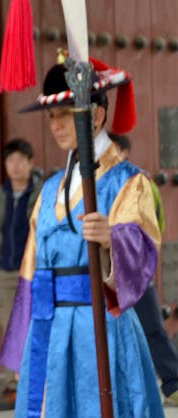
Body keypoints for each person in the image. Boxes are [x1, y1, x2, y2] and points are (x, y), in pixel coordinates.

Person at [0, 57, 164, 417]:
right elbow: (30, 273)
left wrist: (113, 238)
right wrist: (24, 343)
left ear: (97, 114)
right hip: (51, 329)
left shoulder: (128, 182)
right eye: (52, 117)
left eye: (65, 114)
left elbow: (145, 254)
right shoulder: (50, 189)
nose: (55, 126)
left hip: (103, 324)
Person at [108, 132, 178, 405]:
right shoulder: (96, 184)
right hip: (106, 273)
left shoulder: (140, 182)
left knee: (152, 327)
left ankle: (172, 382)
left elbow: (154, 226)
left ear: (124, 153)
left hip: (134, 272)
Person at [0, 138, 43, 411]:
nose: (16, 165)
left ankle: (37, 381)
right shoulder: (0, 195)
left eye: (21, 160)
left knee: (37, 320)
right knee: (10, 324)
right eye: (11, 161)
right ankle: (15, 384)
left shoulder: (42, 191)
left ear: (31, 163)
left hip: (35, 269)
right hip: (7, 270)